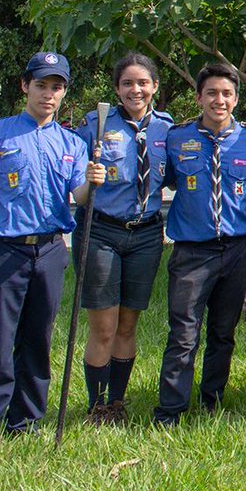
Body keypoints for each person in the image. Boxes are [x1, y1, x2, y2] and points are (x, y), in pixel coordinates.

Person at [0, 52, 104, 460]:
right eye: (41, 85)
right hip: (5, 251)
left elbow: (78, 197)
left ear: (64, 92)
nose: (48, 94)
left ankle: (26, 422)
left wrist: (90, 180)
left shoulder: (70, 142)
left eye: (57, 87)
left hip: (50, 251)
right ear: (24, 86)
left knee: (37, 340)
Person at [153, 63, 246, 425]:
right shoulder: (177, 138)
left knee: (223, 332)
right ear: (200, 97)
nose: (220, 100)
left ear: (236, 99)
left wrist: (243, 208)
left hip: (236, 248)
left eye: (227, 94)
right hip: (191, 251)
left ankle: (212, 401)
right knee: (184, 333)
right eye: (212, 93)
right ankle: (171, 409)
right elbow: (163, 180)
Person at [75, 52, 173, 425]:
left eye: (143, 82)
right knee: (104, 326)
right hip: (101, 230)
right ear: (117, 89)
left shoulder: (167, 130)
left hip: (146, 233)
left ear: (154, 88)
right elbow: (76, 183)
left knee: (128, 324)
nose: (136, 89)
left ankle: (116, 402)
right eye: (128, 83)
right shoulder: (96, 126)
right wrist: (87, 176)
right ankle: (96, 405)